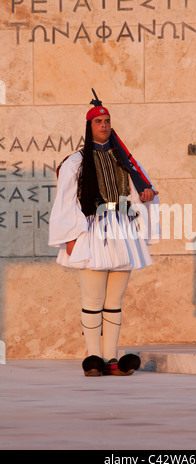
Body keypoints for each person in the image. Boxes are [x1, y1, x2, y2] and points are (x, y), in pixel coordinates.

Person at [49, 91, 160, 377]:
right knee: (93, 300)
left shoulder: (124, 160)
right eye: (99, 121)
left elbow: (140, 191)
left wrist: (146, 197)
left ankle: (111, 358)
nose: (104, 125)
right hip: (92, 229)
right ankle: (93, 357)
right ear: (90, 126)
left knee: (114, 302)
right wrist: (70, 238)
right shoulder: (76, 161)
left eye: (107, 120)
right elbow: (66, 201)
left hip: (122, 230)